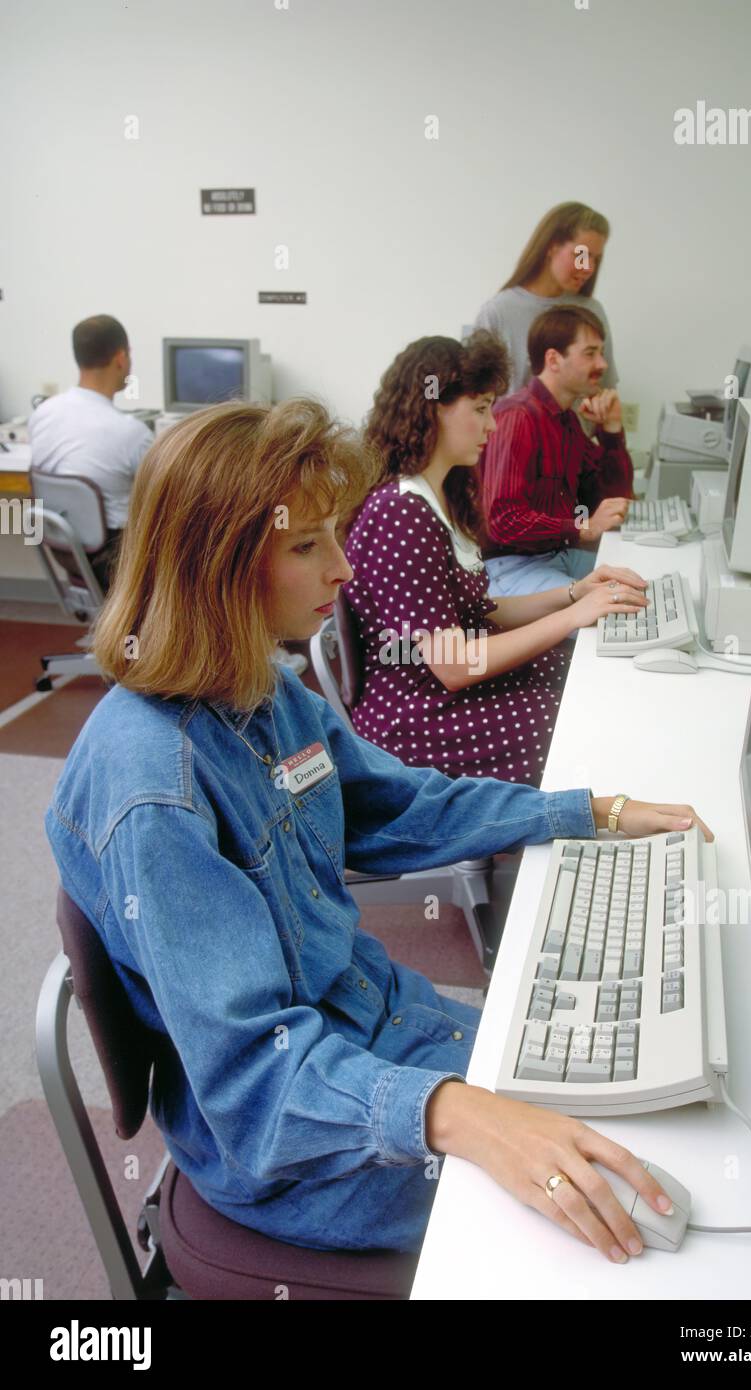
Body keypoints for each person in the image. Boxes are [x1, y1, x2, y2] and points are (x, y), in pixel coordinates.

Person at [44, 398, 712, 1261]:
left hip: (381, 1032)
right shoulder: (152, 793)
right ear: (217, 566)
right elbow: (256, 1082)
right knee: (631, 1223)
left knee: (645, 1113)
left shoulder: (261, 687)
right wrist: (455, 1113)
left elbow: (398, 806)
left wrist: (581, 814)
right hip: (302, 1148)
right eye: (306, 545)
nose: (345, 571)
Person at [343, 332, 646, 785]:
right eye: (481, 409)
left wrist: (572, 594)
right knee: (579, 722)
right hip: (416, 719)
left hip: (442, 693)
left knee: (581, 671)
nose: (492, 425)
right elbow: (454, 665)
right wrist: (572, 617)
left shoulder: (436, 496)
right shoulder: (401, 512)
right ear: (433, 408)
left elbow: (480, 611)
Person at [479, 305, 634, 597]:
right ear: (553, 359)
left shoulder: (567, 421)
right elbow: (503, 521)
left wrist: (611, 431)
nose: (602, 364)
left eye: (601, 353)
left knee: (640, 584)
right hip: (509, 568)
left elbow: (612, 498)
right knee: (614, 614)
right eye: (590, 353)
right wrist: (582, 527)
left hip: (554, 558)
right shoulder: (517, 417)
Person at [28, 315, 153, 590]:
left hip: (67, 554)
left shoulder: (43, 414)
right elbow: (165, 495)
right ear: (121, 358)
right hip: (117, 563)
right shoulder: (130, 432)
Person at [475, 201, 617, 396]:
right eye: (582, 255)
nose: (589, 268)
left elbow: (605, 389)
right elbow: (477, 396)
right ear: (552, 247)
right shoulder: (498, 313)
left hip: (576, 428)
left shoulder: (592, 311)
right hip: (512, 427)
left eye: (596, 259)